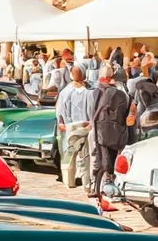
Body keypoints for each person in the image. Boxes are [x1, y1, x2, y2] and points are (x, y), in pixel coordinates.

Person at [90, 64, 135, 211]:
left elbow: (90, 114)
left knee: (101, 162)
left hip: (99, 133)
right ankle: (112, 189)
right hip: (119, 134)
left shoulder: (94, 93)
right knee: (114, 164)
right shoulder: (125, 94)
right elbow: (131, 118)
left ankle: (97, 189)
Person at [55, 67, 95, 190]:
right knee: (76, 155)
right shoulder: (69, 92)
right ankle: (77, 182)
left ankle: (78, 182)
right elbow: (60, 110)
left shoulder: (87, 91)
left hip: (78, 127)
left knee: (79, 155)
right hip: (76, 127)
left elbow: (93, 110)